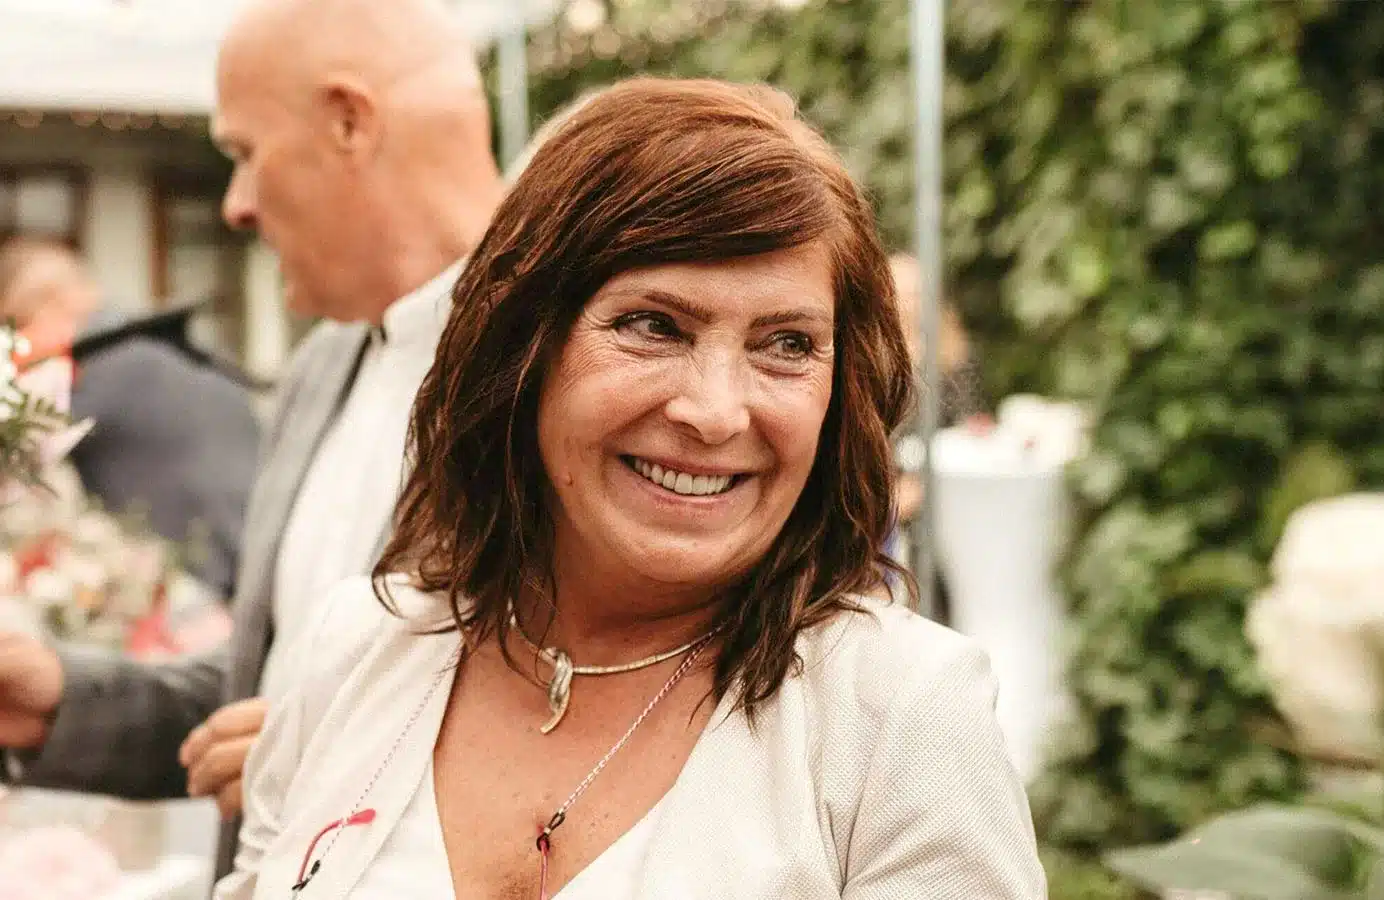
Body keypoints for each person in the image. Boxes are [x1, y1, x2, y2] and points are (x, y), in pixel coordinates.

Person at [217, 78, 1044, 900]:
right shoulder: (356, 651)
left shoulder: (899, 720)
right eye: (654, 326)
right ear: (522, 347)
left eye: (786, 344)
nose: (716, 413)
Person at [0, 0, 505, 882]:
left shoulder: (571, 369)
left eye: (243, 153)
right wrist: (55, 702)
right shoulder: (321, 369)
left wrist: (344, 762)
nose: (234, 206)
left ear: (349, 123)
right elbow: (263, 695)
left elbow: (651, 710)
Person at [0, 237, 261, 595]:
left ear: (46, 306)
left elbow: (13, 452)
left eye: (13, 329)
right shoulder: (168, 346)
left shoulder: (95, 366)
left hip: (204, 587)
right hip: (252, 560)